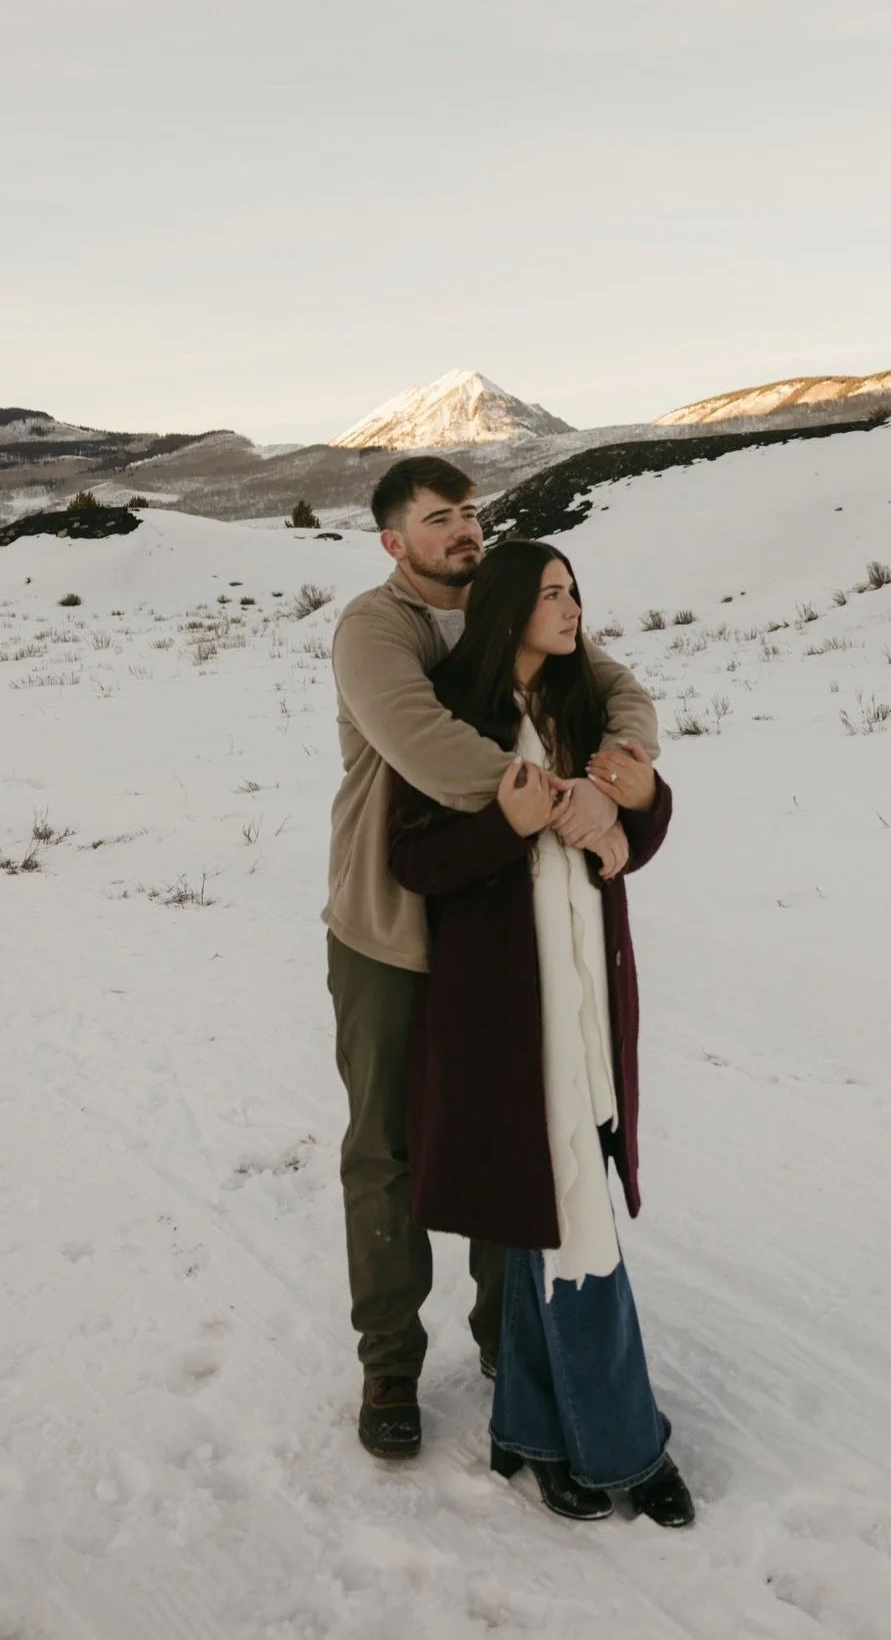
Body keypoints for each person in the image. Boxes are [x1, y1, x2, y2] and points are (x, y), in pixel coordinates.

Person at [325, 457, 660, 1461]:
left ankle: (501, 1333)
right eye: (440, 520)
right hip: (388, 927)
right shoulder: (375, 629)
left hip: (487, 927)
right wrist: (567, 803)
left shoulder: (509, 603)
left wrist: (624, 771)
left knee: (506, 1125)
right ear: (396, 542)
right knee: (387, 1149)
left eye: (471, 513)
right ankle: (390, 1359)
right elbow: (427, 747)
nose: (465, 532)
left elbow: (618, 685)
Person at [386, 539, 694, 1527]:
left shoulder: (581, 711)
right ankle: (623, 1450)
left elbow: (624, 845)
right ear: (511, 604)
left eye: (575, 592)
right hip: (505, 1018)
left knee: (538, 1219)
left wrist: (644, 804)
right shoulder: (455, 724)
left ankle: (530, 1431)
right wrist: (506, 826)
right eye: (552, 593)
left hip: (586, 1000)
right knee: (573, 1221)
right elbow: (414, 862)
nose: (570, 607)